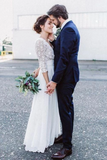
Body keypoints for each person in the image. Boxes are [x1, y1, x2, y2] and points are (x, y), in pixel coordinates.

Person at [46, 4, 80, 159]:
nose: (53, 23)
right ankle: (66, 136)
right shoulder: (68, 28)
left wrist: (54, 81)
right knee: (68, 108)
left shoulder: (68, 30)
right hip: (69, 75)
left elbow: (63, 59)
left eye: (53, 20)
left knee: (64, 110)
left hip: (66, 77)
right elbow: (62, 50)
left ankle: (67, 147)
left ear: (60, 17)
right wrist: (54, 42)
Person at [23, 15, 61, 153]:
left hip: (50, 74)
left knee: (50, 106)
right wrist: (47, 83)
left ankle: (49, 135)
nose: (52, 25)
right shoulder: (39, 42)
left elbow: (44, 60)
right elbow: (43, 63)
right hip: (47, 76)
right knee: (43, 106)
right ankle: (40, 138)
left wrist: (53, 39)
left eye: (52, 23)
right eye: (49, 23)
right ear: (41, 26)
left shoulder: (49, 41)